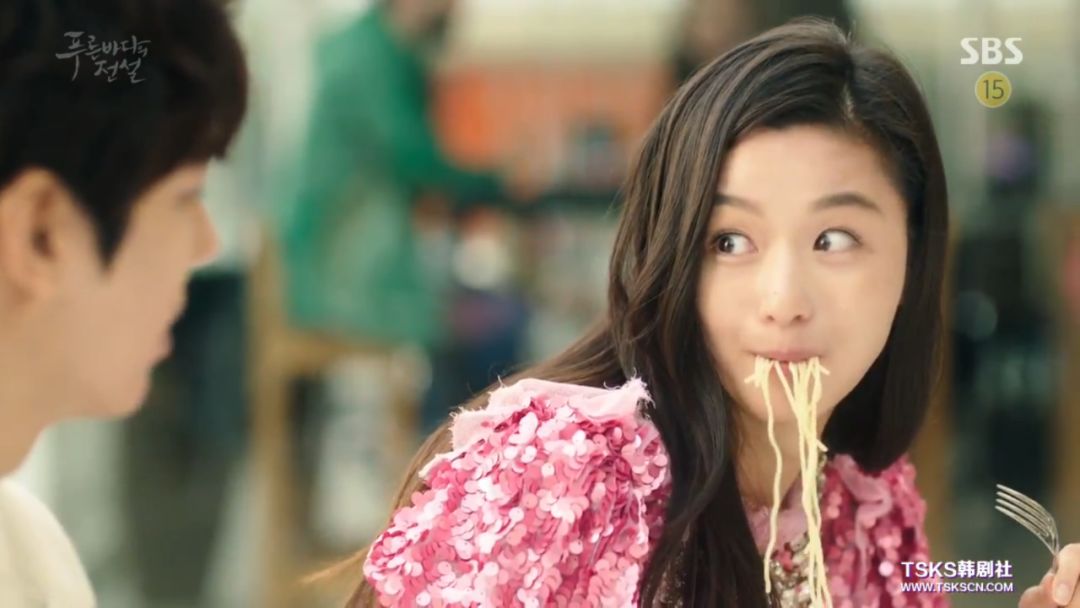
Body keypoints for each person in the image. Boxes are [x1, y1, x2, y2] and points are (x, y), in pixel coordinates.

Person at [345, 18, 1080, 607]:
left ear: (914, 262)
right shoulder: (562, 485)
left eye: (834, 239)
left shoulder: (867, 505)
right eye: (729, 241)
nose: (784, 300)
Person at [0, 0, 247, 605]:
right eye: (185, 197)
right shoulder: (28, 561)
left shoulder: (29, 551)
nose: (206, 243)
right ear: (41, 234)